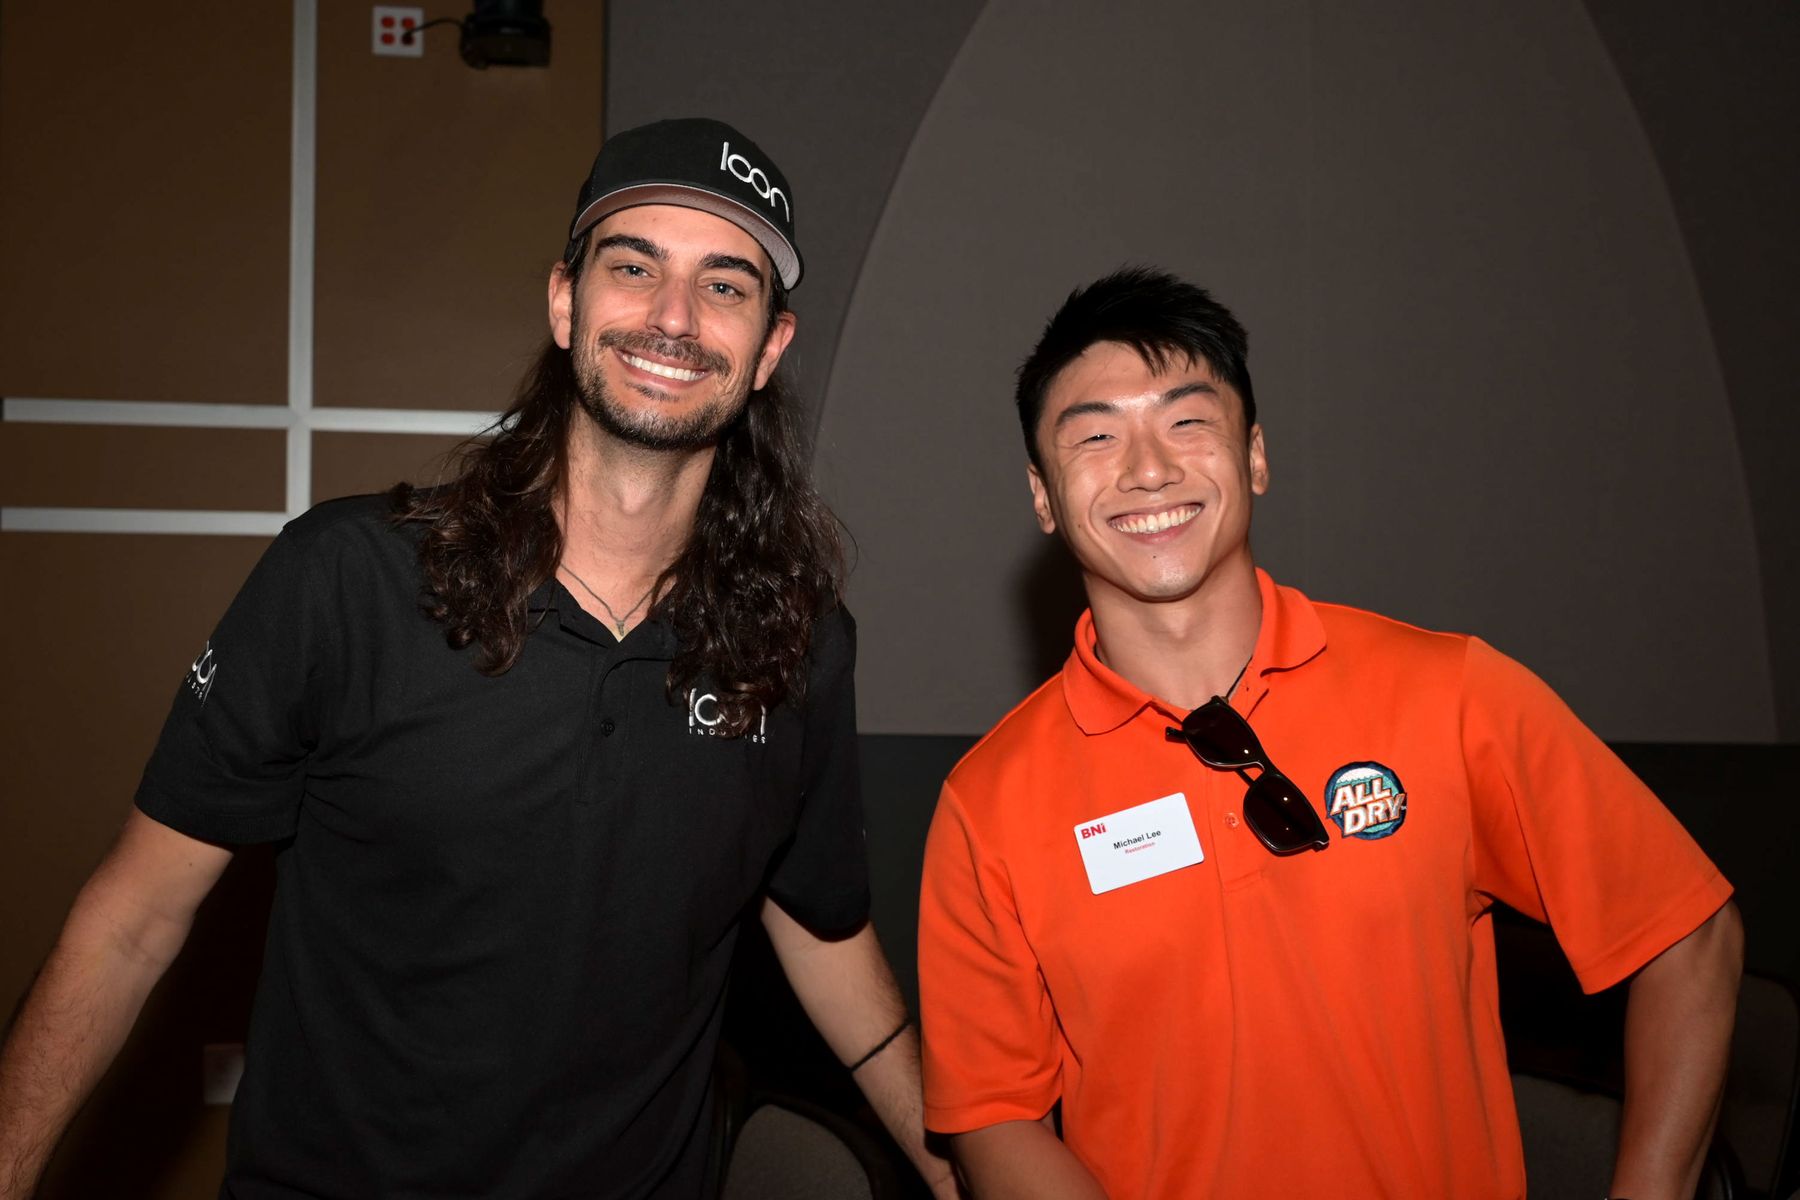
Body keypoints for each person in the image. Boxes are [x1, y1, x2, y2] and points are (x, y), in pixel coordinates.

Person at [0, 118, 952, 1199]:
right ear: (566, 301)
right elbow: (131, 924)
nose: (674, 317)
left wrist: (954, 1163)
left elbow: (822, 930)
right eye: (633, 267)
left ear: (770, 348)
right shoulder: (347, 579)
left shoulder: (800, 640)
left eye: (724, 285)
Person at [916, 267, 1743, 1199]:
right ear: (1042, 497)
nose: (1148, 469)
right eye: (1097, 436)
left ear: (1255, 456)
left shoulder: (1451, 695)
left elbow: (1688, 934)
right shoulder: (990, 805)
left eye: (1188, 421)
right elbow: (992, 1114)